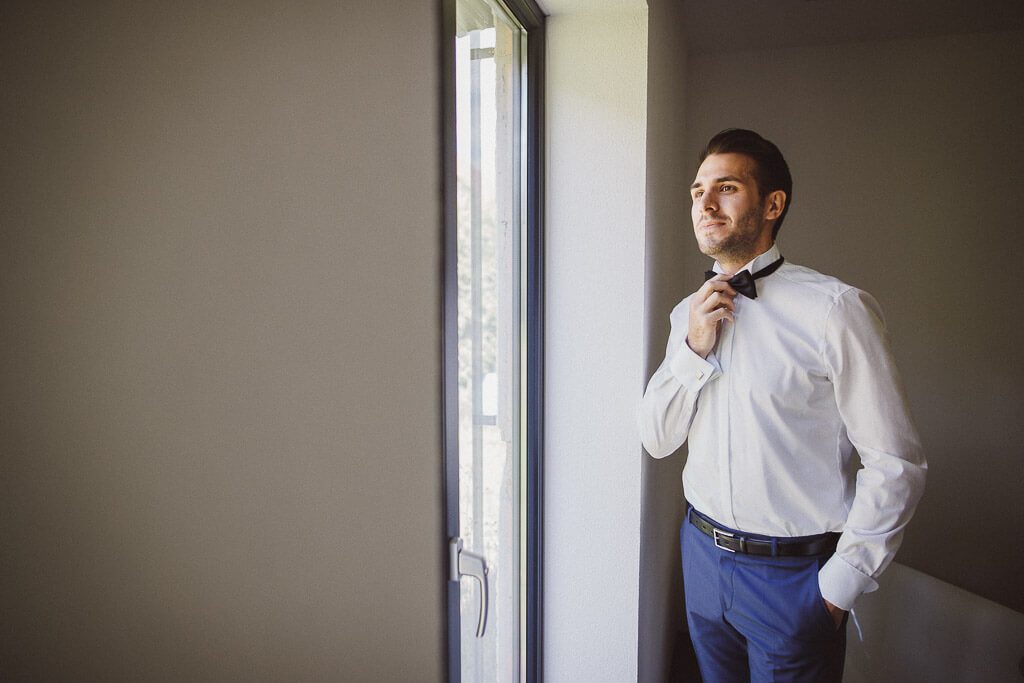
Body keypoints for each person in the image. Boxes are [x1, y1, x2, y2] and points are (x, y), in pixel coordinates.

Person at [637, 129, 926, 682]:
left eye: (726, 188)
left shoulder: (836, 310)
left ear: (773, 205)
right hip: (700, 556)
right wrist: (693, 349)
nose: (705, 204)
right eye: (698, 191)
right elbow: (657, 438)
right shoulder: (687, 314)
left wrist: (838, 588)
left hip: (795, 576)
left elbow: (897, 463)